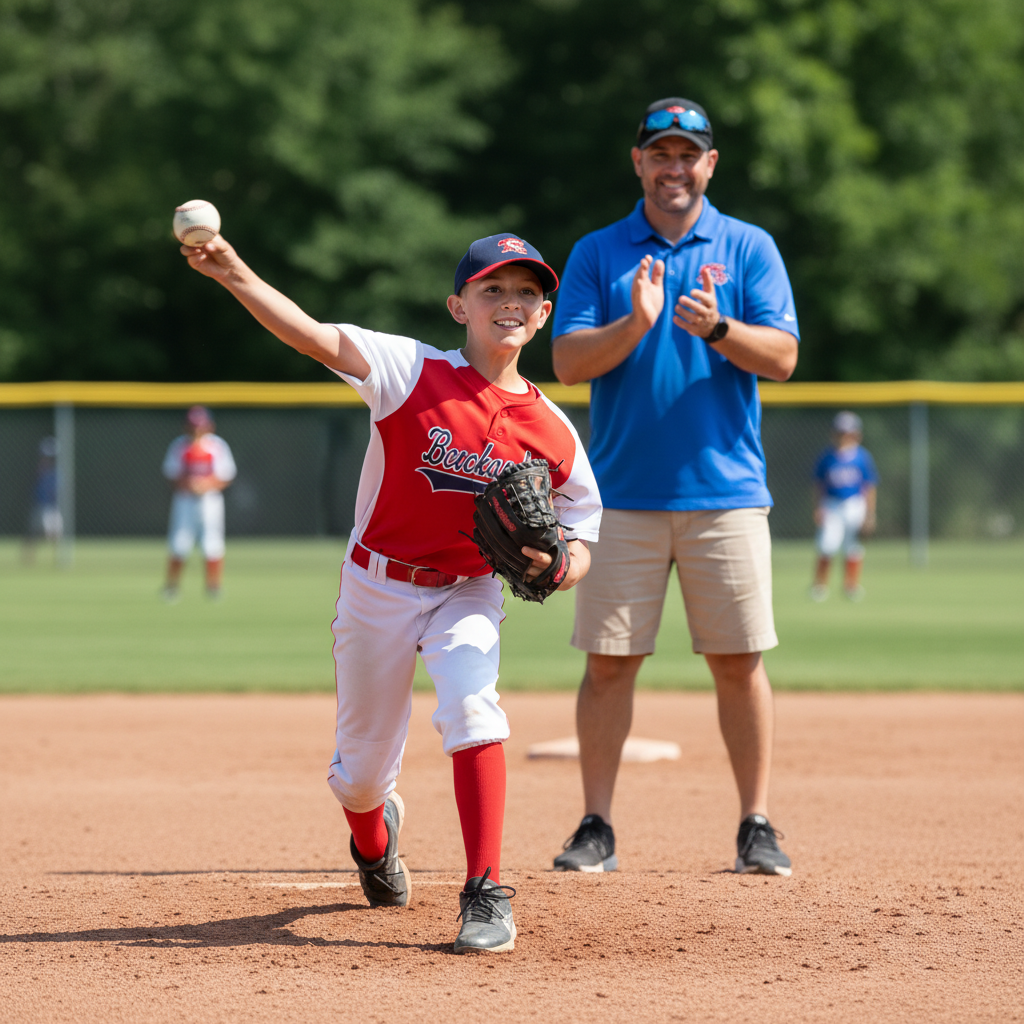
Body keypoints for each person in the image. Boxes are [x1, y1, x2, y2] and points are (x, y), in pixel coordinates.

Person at [179, 229, 602, 953]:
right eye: (492, 288)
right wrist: (235, 274)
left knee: (473, 705)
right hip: (377, 584)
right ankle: (374, 842)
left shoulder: (553, 430)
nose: (510, 302)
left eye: (527, 292)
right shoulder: (410, 369)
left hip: (468, 589)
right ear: (458, 305)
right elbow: (312, 337)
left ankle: (486, 890)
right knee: (360, 776)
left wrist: (564, 566)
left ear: (543, 315)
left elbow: (583, 529)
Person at [549, 97, 799, 877]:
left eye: (688, 154)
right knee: (609, 662)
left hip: (725, 492)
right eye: (660, 153)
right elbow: (567, 364)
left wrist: (718, 330)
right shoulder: (599, 252)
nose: (674, 167)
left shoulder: (748, 247)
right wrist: (637, 323)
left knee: (738, 659)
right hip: (620, 494)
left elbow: (783, 357)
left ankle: (756, 823)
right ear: (639, 163)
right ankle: (596, 825)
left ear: (709, 165)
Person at [161, 405, 237, 600]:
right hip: (185, 500)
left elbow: (227, 475)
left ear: (209, 426)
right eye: (193, 426)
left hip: (210, 500)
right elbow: (171, 474)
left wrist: (206, 485)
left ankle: (213, 587)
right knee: (179, 542)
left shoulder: (217, 446)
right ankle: (171, 587)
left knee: (213, 543)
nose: (197, 430)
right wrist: (188, 484)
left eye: (200, 426)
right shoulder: (180, 446)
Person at [810, 411, 878, 602]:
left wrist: (870, 514)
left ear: (856, 435)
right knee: (826, 545)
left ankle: (851, 586)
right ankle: (819, 586)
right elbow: (818, 485)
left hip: (855, 504)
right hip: (831, 505)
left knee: (853, 548)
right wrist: (817, 507)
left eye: (848, 433)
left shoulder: (862, 457)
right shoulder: (826, 457)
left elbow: (869, 486)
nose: (844, 437)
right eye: (840, 432)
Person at [22, 436, 62, 563]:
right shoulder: (41, 470)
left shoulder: (57, 472)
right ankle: (28, 558)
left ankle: (60, 559)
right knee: (36, 533)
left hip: (53, 506)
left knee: (56, 534)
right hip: (41, 506)